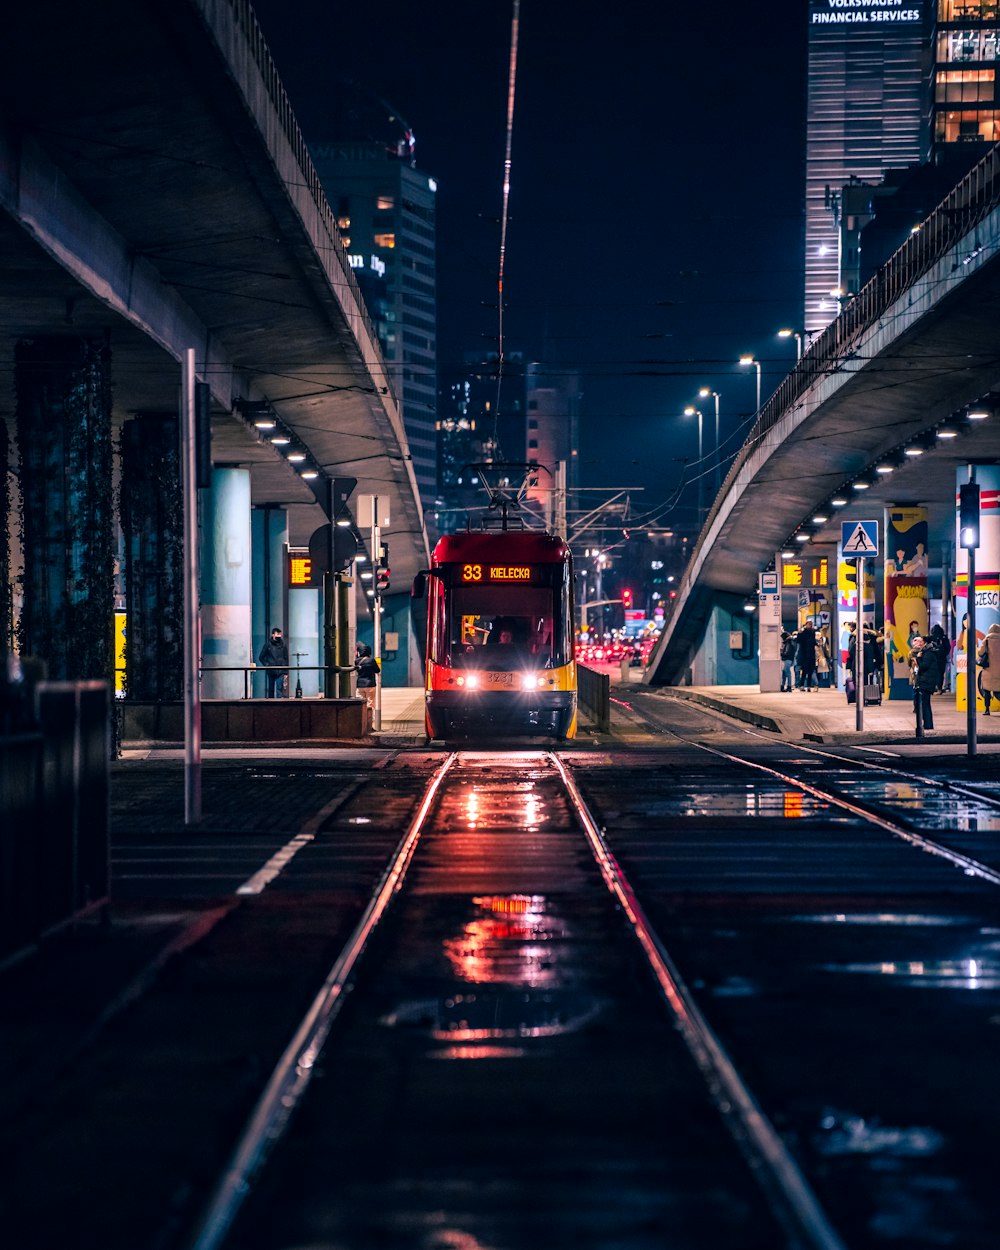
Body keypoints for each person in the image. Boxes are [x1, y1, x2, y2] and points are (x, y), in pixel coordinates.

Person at [908, 636, 936, 732]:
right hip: (925, 680)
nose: (921, 643)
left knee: (925, 704)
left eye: (922, 641)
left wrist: (919, 659)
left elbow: (924, 666)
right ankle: (927, 724)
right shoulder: (928, 652)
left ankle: (928, 724)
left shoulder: (928, 653)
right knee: (925, 704)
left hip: (926, 681)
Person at [977, 622, 1000, 715]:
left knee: (987, 690)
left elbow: (980, 653)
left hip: (989, 670)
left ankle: (987, 709)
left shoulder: (986, 640)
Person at [258, 627, 288, 697]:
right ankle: (270, 706)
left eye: (280, 634)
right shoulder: (268, 645)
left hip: (281, 670)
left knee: (279, 690)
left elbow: (286, 658)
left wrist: (286, 671)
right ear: (273, 635)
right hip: (271, 670)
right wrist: (267, 664)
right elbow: (261, 657)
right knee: (271, 690)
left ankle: (279, 706)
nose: (279, 636)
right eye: (277, 634)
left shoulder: (283, 645)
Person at [926, 624, 949, 694]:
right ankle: (939, 688)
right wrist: (944, 654)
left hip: (933, 659)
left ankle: (933, 688)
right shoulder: (944, 637)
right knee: (940, 674)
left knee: (933, 674)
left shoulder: (931, 638)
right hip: (942, 659)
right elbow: (948, 648)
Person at [355, 643, 379, 710]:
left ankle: (361, 718)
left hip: (360, 685)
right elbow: (377, 670)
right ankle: (370, 719)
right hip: (370, 684)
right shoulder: (371, 660)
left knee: (360, 703)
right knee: (370, 703)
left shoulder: (357, 661)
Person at [796, 622, 817, 691]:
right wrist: (799, 633)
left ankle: (808, 686)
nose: (810, 625)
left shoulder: (813, 632)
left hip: (810, 655)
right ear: (806, 625)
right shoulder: (803, 632)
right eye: (809, 624)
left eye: (811, 624)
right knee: (804, 671)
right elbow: (798, 641)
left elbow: (813, 642)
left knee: (810, 671)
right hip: (804, 655)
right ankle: (802, 685)